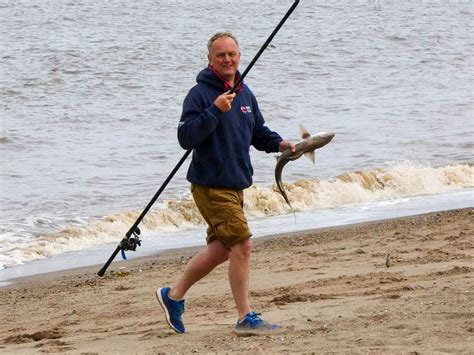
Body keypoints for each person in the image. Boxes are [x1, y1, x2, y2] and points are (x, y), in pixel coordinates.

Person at [156, 32, 295, 336]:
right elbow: (185, 138)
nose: (227, 59)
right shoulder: (199, 95)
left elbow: (258, 133)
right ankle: (245, 317)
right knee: (242, 244)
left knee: (221, 249)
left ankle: (173, 296)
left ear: (239, 57)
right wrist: (215, 110)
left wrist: (281, 144)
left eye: (232, 54)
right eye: (221, 55)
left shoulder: (245, 93)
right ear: (210, 60)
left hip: (236, 183)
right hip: (210, 185)